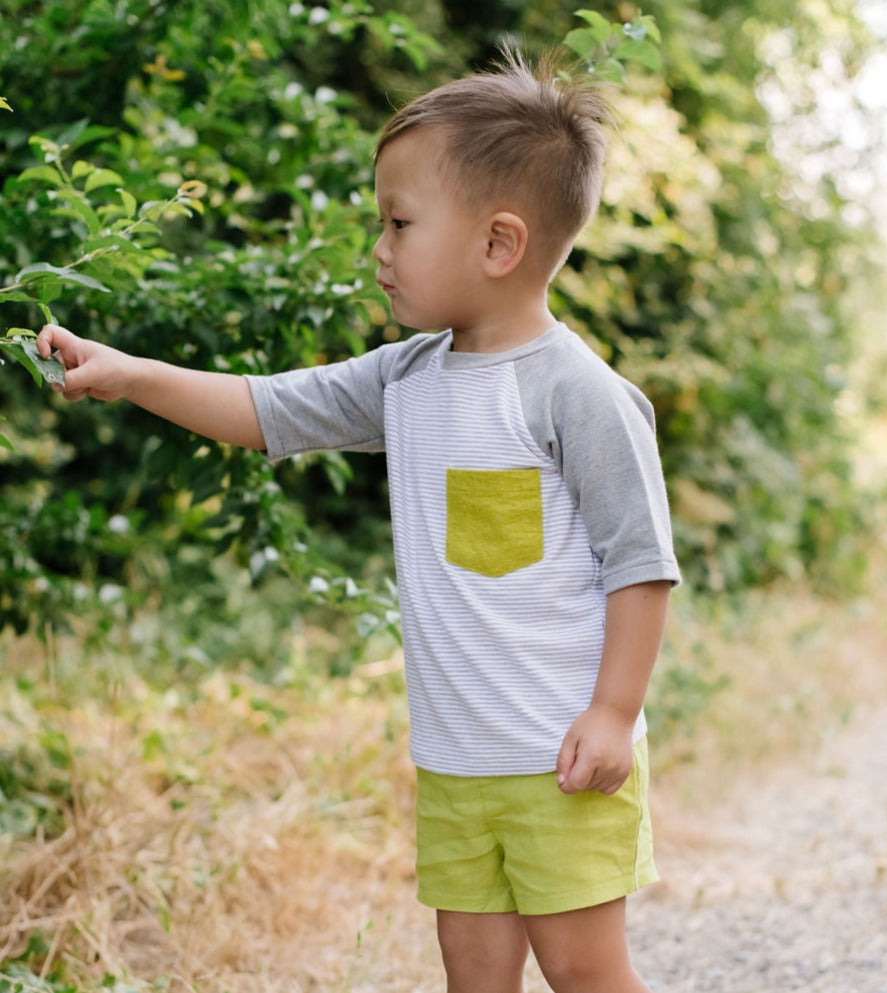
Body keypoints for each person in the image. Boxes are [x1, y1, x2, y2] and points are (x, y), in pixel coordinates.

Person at [37, 47, 681, 993]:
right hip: (456, 762)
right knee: (475, 981)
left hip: (560, 761)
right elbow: (264, 409)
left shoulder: (576, 393)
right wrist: (128, 372)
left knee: (587, 974)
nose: (378, 248)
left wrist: (613, 713)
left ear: (499, 244)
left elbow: (640, 566)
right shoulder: (404, 377)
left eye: (399, 223)